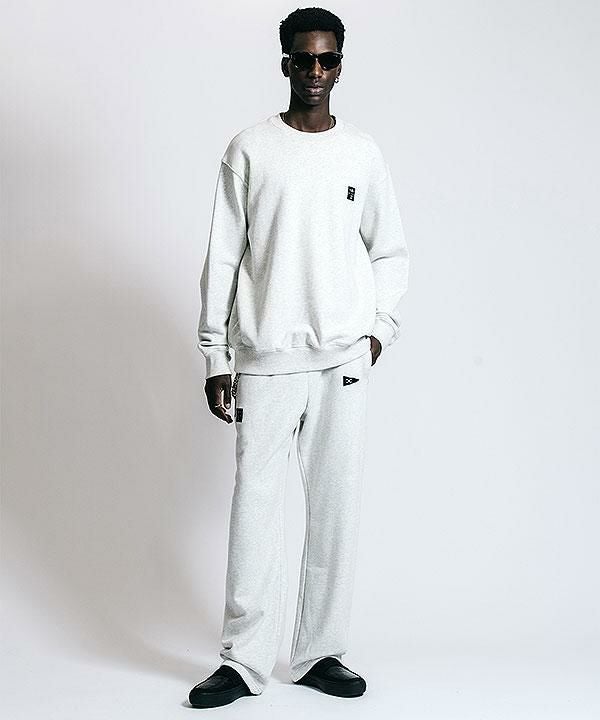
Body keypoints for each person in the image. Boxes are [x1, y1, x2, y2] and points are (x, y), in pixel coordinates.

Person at [189, 6, 409, 709]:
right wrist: (216, 355)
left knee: (334, 512)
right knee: (255, 512)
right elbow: (223, 256)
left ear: (341, 65)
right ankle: (244, 662)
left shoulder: (362, 153)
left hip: (342, 362)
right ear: (284, 62)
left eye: (327, 59)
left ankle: (319, 653)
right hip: (265, 358)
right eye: (304, 58)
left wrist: (377, 332)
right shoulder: (250, 149)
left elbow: (389, 250)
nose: (315, 71)